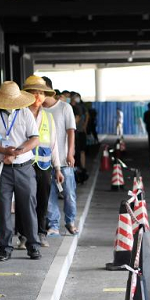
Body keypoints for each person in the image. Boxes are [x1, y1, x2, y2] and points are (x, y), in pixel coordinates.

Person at [0, 81, 41, 261]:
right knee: (2, 208)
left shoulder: (25, 113)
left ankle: (33, 245)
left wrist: (18, 152)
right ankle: (5, 248)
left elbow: (35, 138)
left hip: (24, 167)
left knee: (28, 207)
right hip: (1, 168)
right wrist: (4, 151)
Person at [16, 76, 63, 248]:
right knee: (24, 200)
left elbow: (54, 145)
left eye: (41, 93)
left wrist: (57, 168)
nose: (38, 96)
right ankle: (23, 235)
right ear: (26, 95)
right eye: (34, 92)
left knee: (42, 200)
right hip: (23, 164)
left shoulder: (49, 118)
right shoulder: (19, 115)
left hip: (44, 166)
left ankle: (41, 233)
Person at [42, 76, 78, 236]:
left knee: (69, 193)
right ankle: (53, 225)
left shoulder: (64, 108)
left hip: (64, 160)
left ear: (48, 91)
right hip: (44, 161)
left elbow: (71, 131)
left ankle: (70, 221)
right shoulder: (38, 110)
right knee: (50, 195)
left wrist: (70, 153)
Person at [71, 92, 88, 170]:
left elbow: (80, 118)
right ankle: (77, 168)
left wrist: (84, 126)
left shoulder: (80, 107)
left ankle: (82, 168)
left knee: (81, 151)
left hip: (79, 131)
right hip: (74, 132)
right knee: (76, 151)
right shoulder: (69, 106)